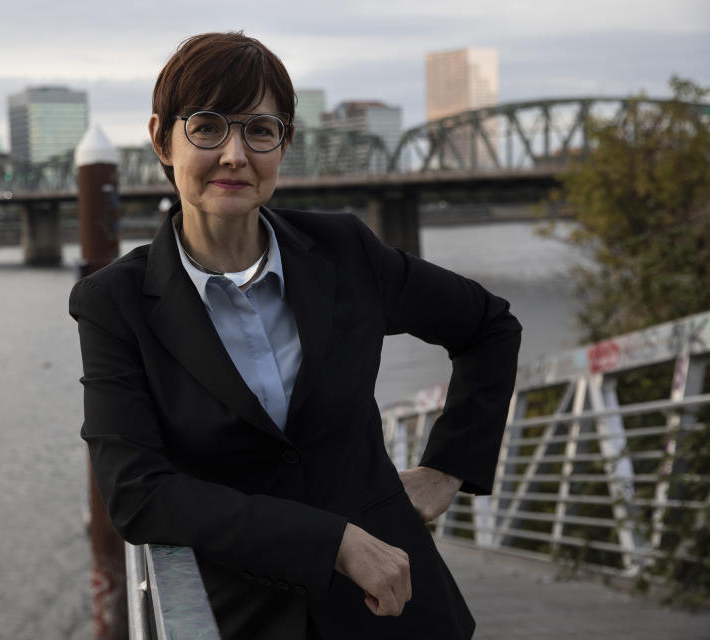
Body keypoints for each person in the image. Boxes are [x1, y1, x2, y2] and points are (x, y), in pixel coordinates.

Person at [69, 32, 522, 639]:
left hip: (400, 610)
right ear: (161, 138)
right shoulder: (115, 303)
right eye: (207, 127)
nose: (235, 154)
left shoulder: (344, 252)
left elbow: (489, 325)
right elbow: (137, 493)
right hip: (244, 617)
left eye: (260, 130)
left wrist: (448, 467)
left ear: (284, 144)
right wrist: (330, 541)